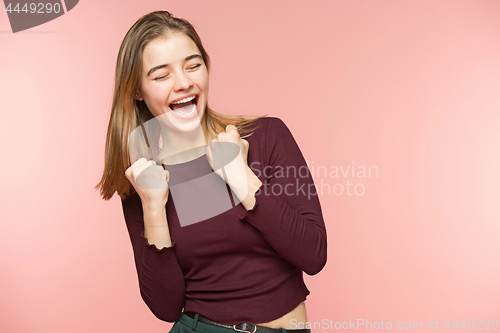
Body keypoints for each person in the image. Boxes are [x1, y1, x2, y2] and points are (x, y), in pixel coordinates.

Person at [96, 10, 327, 333]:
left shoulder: (264, 138)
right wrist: (153, 209)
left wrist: (243, 179)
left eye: (193, 65)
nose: (184, 82)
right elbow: (165, 306)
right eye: (161, 75)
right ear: (137, 91)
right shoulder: (144, 180)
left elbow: (313, 254)